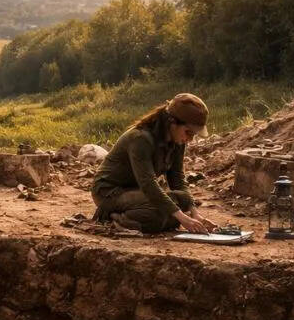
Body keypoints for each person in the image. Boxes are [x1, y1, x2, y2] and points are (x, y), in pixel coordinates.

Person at [91, 93, 217, 234]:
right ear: (172, 122)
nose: (190, 139)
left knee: (180, 201)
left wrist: (194, 213)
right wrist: (183, 218)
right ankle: (112, 216)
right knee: (162, 214)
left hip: (137, 191)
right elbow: (148, 184)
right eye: (188, 132)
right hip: (110, 192)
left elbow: (177, 179)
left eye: (194, 134)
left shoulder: (177, 141)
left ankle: (145, 216)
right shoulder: (141, 139)